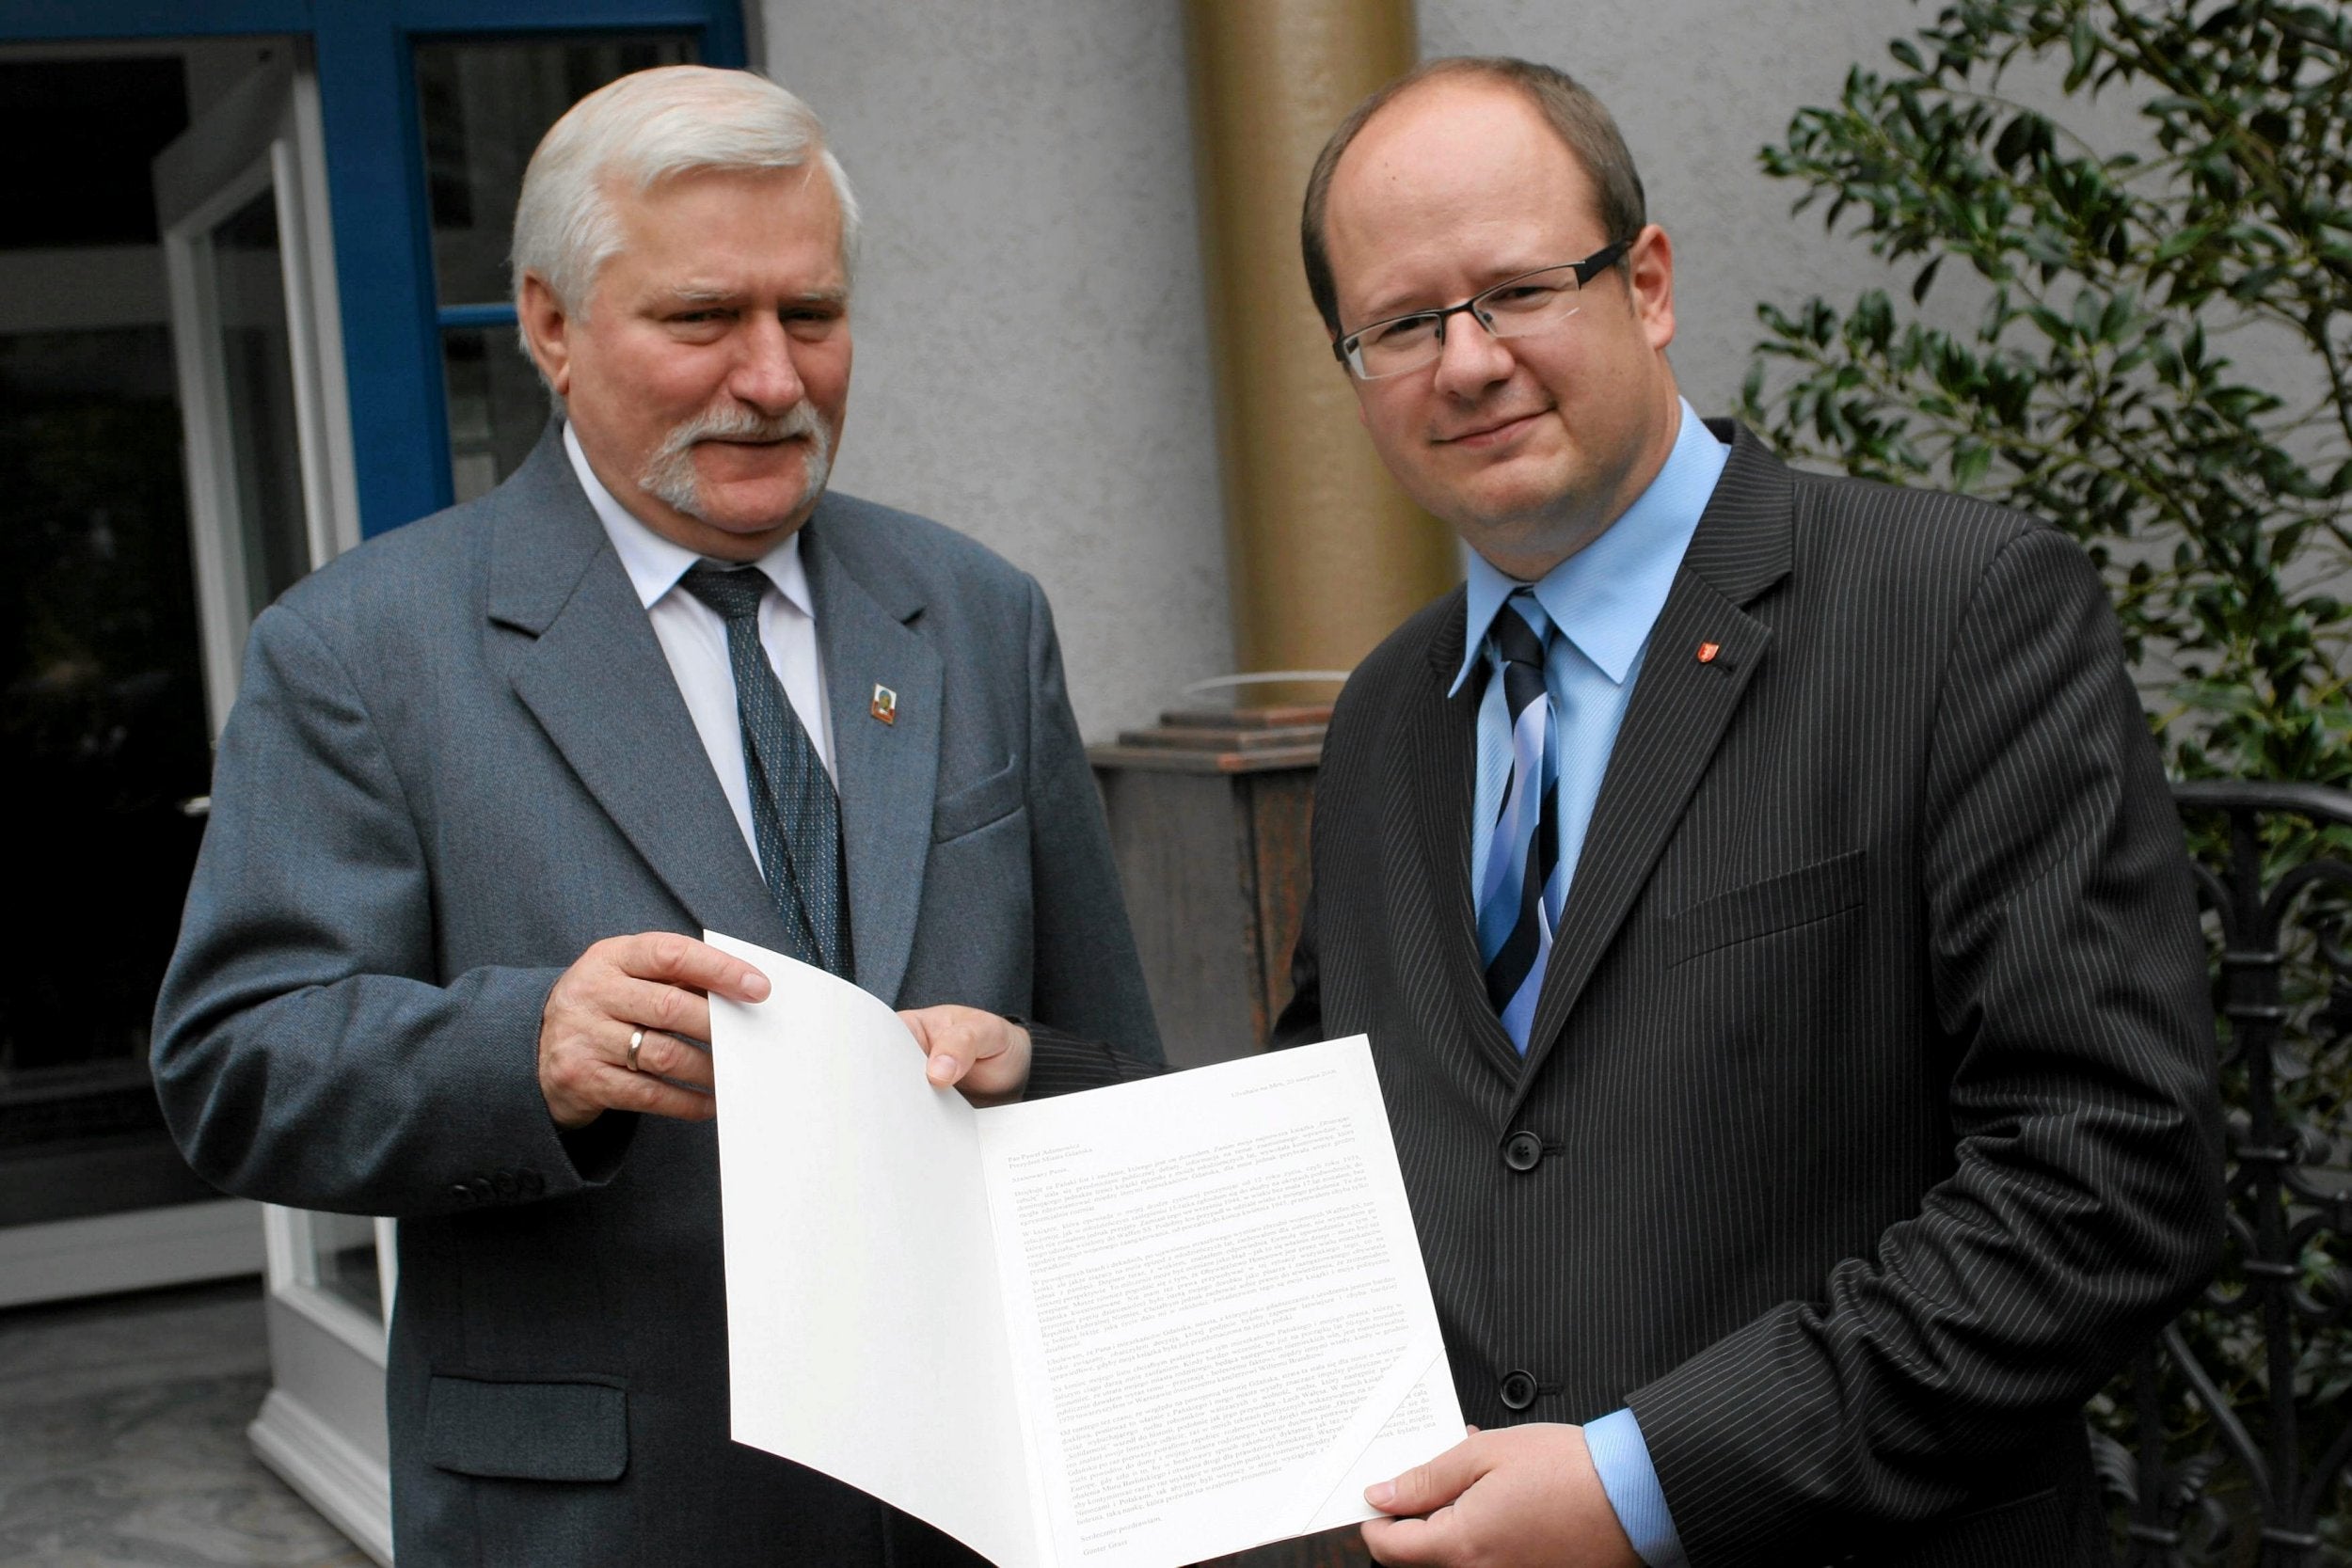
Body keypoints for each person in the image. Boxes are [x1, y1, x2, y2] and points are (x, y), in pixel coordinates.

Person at [152, 65, 1157, 1567]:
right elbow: (235, 1065)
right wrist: (528, 1052)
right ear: (550, 326)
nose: (772, 378)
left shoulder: (973, 612)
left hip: (980, 1510)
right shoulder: (364, 646)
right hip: (608, 1523)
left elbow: (1114, 1060)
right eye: (703, 321)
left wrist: (1027, 1069)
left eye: (810, 317)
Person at [1276, 55, 2222, 1566]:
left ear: (1645, 284)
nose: (1466, 363)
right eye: (1400, 322)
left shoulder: (1959, 611)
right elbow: (1328, 1140)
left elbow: (2105, 1171)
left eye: (1519, 288)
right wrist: (1027, 1085)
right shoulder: (1391, 714)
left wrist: (1645, 1486)